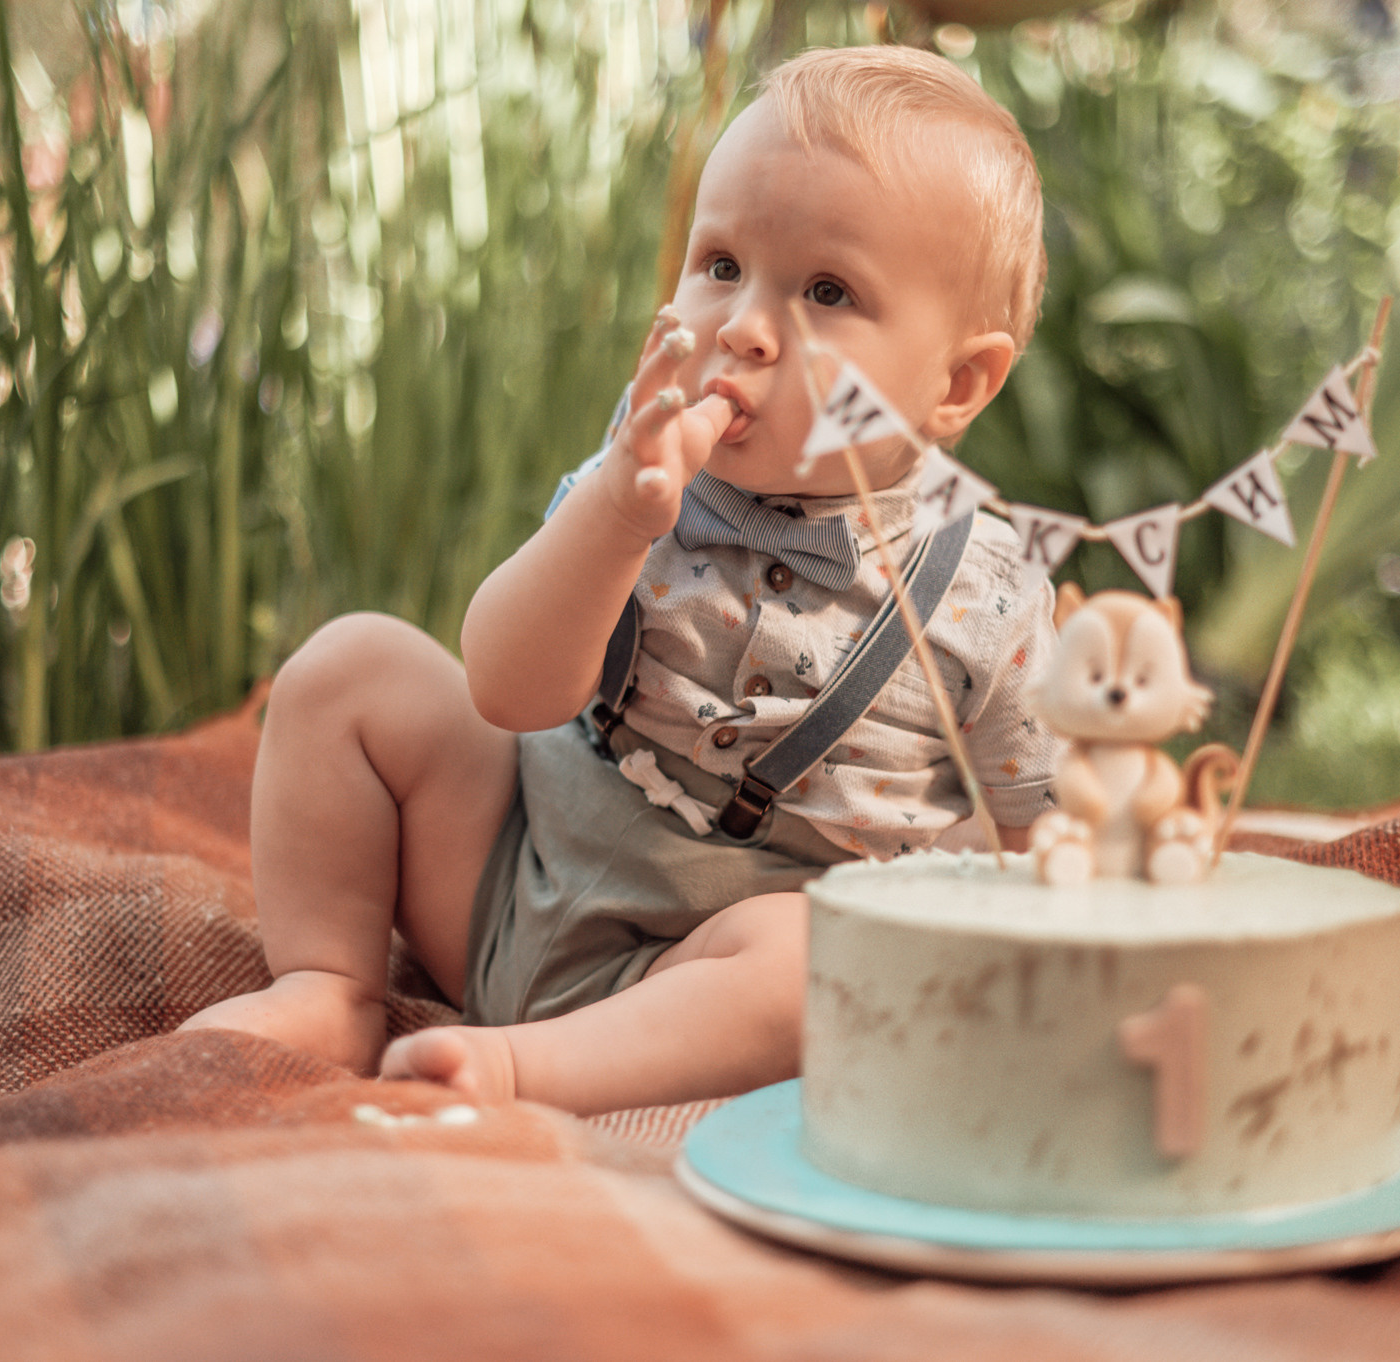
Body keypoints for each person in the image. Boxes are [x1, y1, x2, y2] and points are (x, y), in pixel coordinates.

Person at [179, 45, 1061, 1115]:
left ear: (959, 381)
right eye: (721, 264)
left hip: (693, 974)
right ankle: (327, 983)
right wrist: (615, 514)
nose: (739, 325)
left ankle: (522, 1067)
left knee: (821, 961)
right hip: (503, 878)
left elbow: (1039, 832)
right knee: (349, 667)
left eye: (825, 291)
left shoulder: (984, 588)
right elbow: (504, 691)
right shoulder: (640, 466)